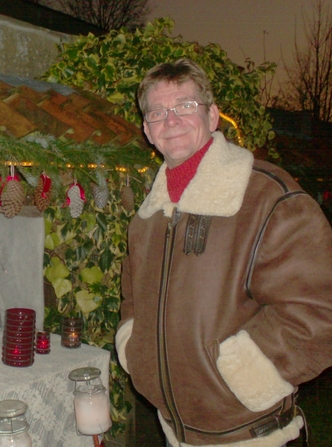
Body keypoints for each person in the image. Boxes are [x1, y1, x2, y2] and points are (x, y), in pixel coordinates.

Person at [115, 58, 332, 447]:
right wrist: (135, 347)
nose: (172, 120)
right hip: (175, 434)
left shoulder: (267, 197)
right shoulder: (147, 219)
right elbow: (133, 299)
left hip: (254, 436)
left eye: (185, 106)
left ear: (213, 116)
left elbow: (320, 307)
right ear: (147, 130)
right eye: (158, 112)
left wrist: (245, 372)